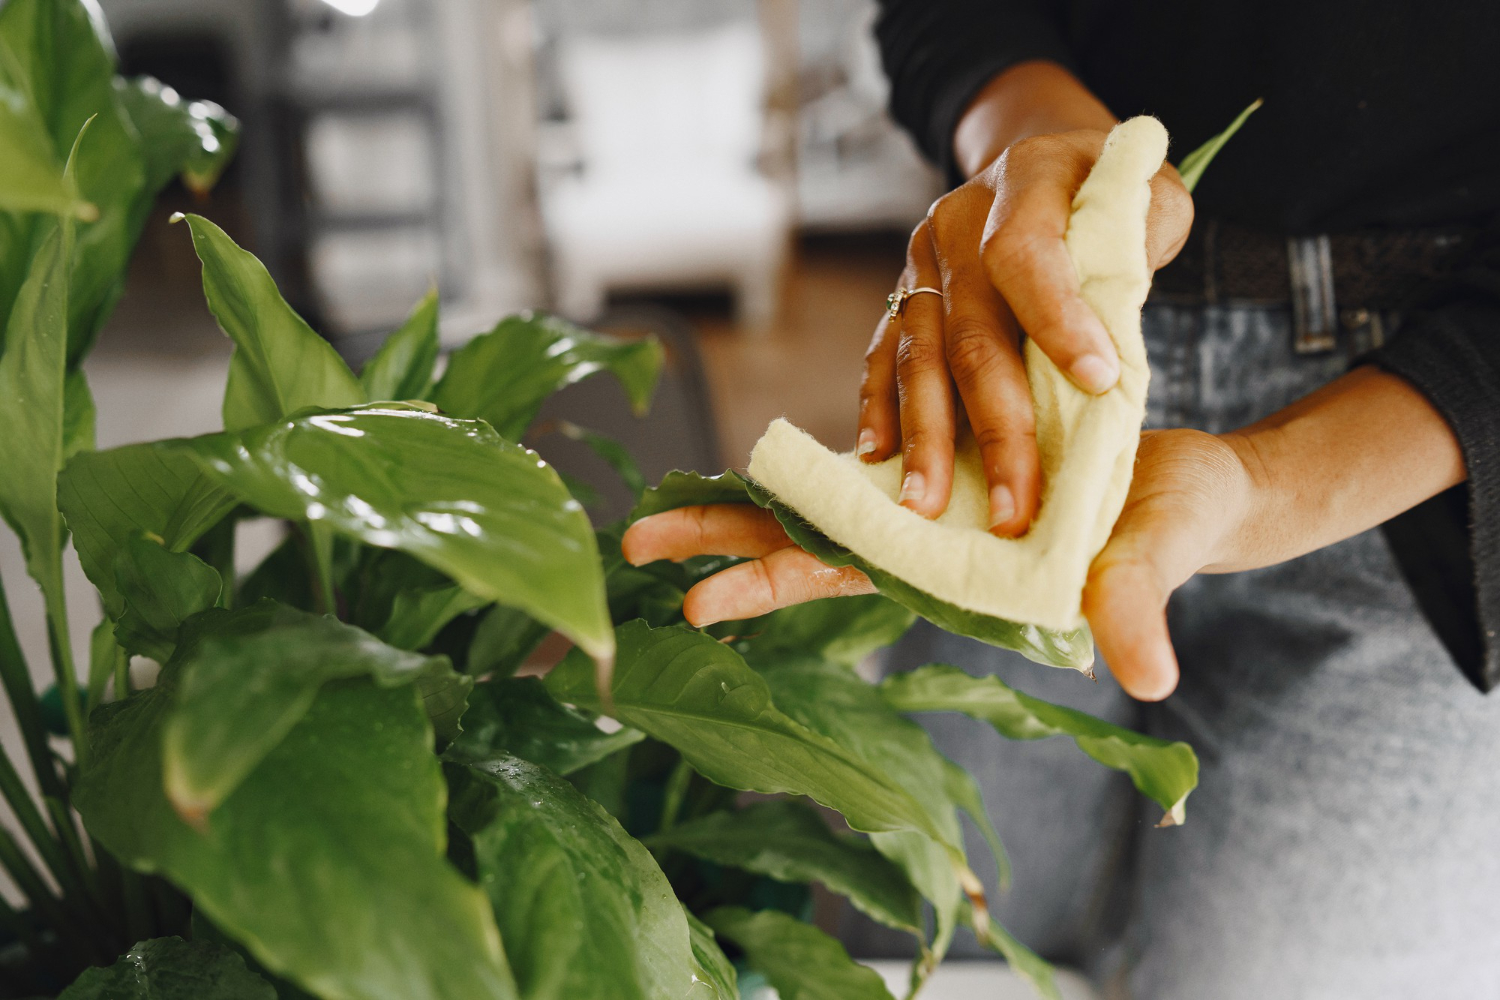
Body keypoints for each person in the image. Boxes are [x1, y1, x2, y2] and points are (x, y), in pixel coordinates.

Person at [625, 4, 1500, 997]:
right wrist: (1027, 134)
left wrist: (1266, 482)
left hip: (1430, 450)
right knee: (944, 933)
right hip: (1024, 347)